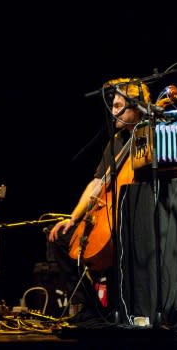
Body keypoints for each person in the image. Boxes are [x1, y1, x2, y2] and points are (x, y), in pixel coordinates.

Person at [47, 78, 151, 322]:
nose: (112, 111)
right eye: (112, 106)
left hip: (135, 216)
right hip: (108, 212)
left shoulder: (148, 135)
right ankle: (90, 308)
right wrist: (73, 218)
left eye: (117, 106)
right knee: (61, 239)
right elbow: (97, 183)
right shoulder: (115, 141)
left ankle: (120, 310)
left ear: (136, 107)